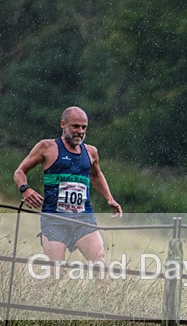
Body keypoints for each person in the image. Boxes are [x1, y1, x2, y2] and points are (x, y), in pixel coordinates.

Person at [13, 106, 122, 267]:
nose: (80, 131)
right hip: (54, 219)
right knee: (56, 272)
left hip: (83, 218)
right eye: (75, 126)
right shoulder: (47, 147)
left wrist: (109, 199)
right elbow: (19, 172)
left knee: (100, 265)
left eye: (84, 127)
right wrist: (25, 189)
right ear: (63, 124)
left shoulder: (91, 152)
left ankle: (100, 293)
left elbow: (96, 174)